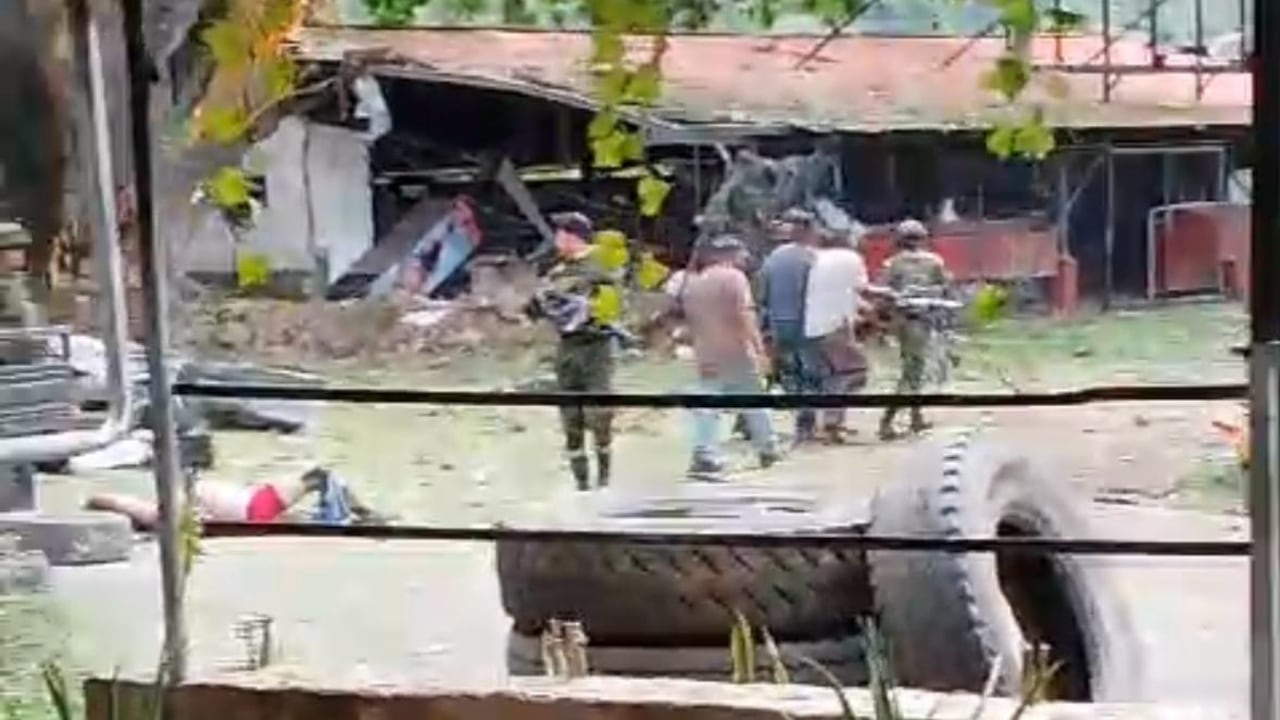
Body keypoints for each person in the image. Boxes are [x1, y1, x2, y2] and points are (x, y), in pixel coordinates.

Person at [525, 211, 624, 491]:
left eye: (559, 234)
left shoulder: (602, 265)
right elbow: (536, 308)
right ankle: (582, 483)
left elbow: (613, 302)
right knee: (571, 417)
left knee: (599, 412)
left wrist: (582, 302)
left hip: (597, 347)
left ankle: (604, 479)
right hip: (568, 347)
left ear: (572, 236)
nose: (556, 240)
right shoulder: (557, 271)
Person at [681, 234, 781, 476]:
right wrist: (759, 350)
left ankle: (704, 453)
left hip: (706, 351)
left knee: (708, 403)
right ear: (731, 254)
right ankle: (768, 447)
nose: (745, 258)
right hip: (735, 349)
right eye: (742, 254)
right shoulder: (734, 277)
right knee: (754, 398)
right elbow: (744, 315)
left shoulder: (694, 281)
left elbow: (690, 322)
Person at [84, 466, 385, 530]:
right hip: (253, 506)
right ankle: (365, 513)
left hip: (250, 507)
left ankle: (356, 514)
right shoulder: (161, 513)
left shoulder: (160, 511)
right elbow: (119, 502)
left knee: (304, 515)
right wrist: (94, 501)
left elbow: (121, 502)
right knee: (319, 476)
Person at [878, 218, 952, 440]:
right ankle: (887, 421)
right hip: (923, 320)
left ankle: (915, 417)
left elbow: (884, 295)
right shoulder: (934, 262)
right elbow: (944, 288)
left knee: (914, 370)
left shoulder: (892, 264)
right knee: (911, 372)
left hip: (903, 321)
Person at [758, 207, 823, 445]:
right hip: (809, 324)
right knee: (812, 374)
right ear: (807, 230)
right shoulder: (815, 257)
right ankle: (806, 423)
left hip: (780, 324)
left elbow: (762, 296)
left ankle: (797, 416)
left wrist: (765, 328)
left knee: (789, 373)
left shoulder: (772, 258)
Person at [804, 225, 870, 442]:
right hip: (834, 326)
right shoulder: (851, 258)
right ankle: (831, 422)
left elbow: (843, 292)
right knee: (854, 371)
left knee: (833, 374)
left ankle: (832, 422)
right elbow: (863, 289)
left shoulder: (818, 258)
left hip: (812, 325)